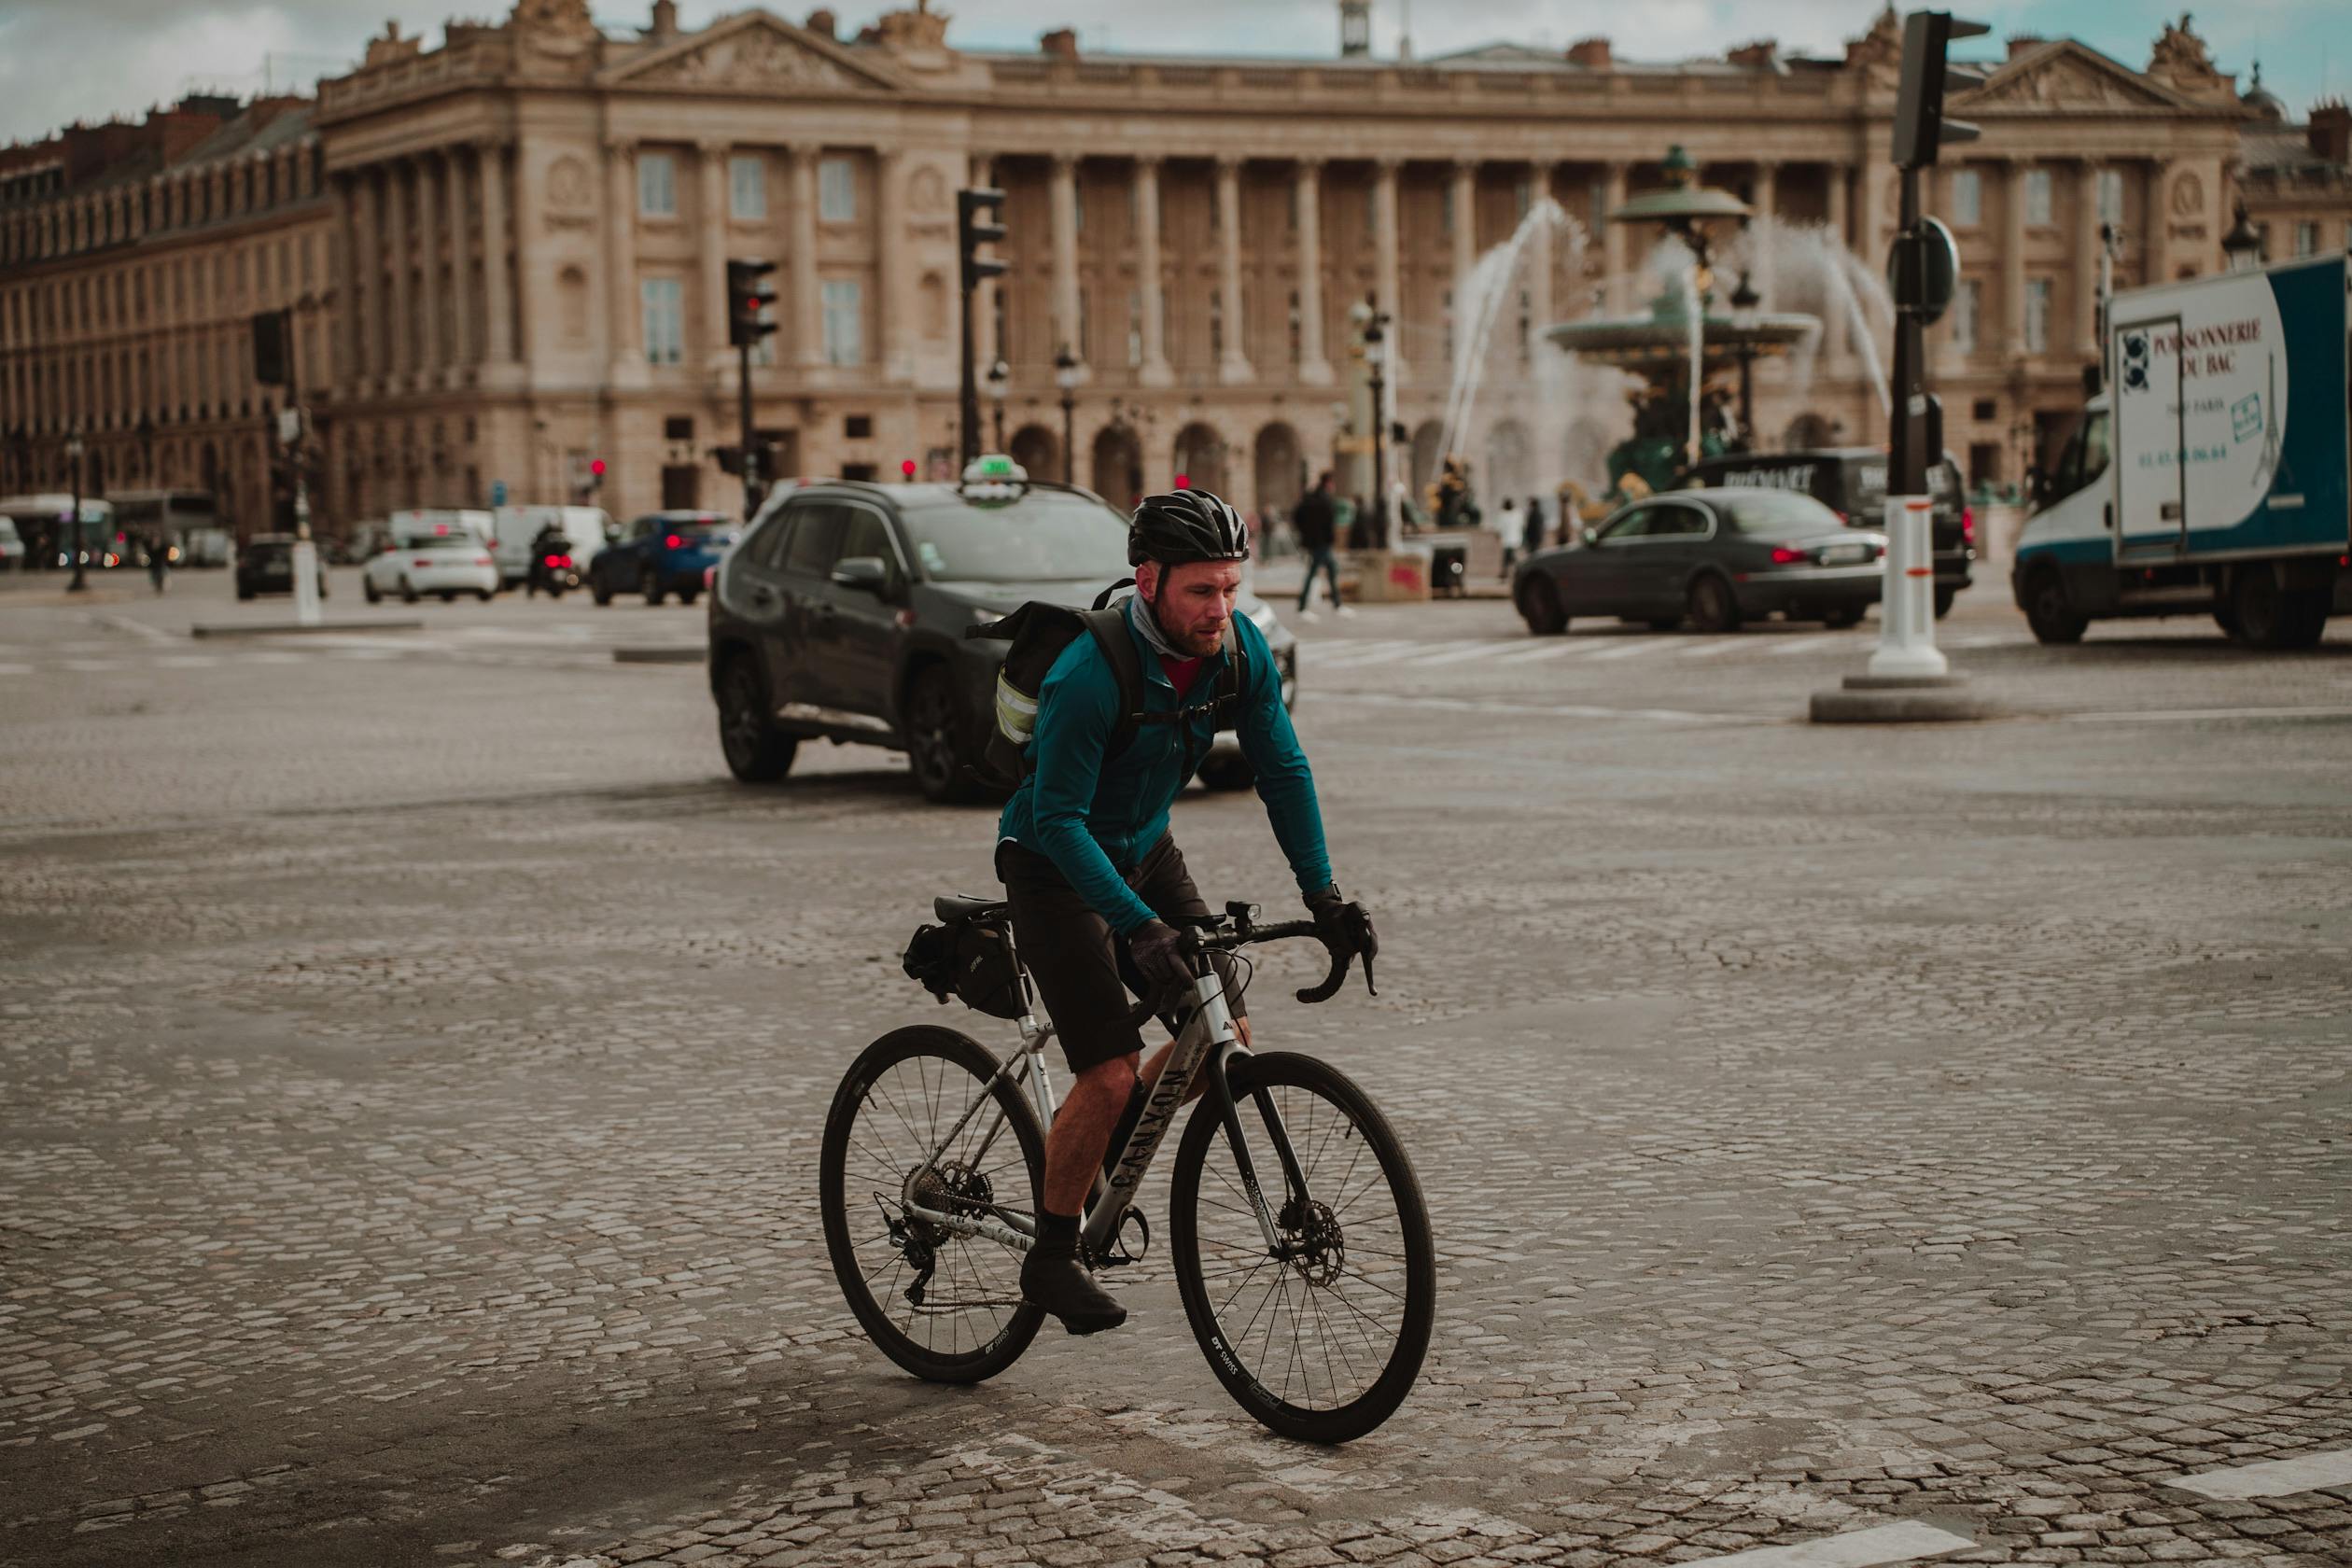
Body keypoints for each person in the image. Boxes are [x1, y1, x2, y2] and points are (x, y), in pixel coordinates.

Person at [996, 488, 1370, 1336]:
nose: (1221, 609)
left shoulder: (1237, 652)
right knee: (1110, 1068)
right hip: (1052, 862)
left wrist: (1325, 895)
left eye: (1231, 588)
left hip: (1146, 848)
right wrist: (1135, 926)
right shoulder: (1091, 672)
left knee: (1221, 1038)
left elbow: (1283, 766)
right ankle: (1052, 1253)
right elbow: (1057, 821)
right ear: (1150, 580)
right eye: (1203, 591)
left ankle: (1086, 1144)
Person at [1291, 470, 1350, 621]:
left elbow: (1296, 516)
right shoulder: (1325, 500)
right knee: (1314, 573)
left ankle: (1336, 604)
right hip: (1322, 543)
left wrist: (1306, 534)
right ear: (1329, 483)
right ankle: (1304, 606)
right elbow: (1329, 523)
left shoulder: (1309, 497)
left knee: (1329, 570)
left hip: (1313, 542)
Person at [525, 517, 567, 597]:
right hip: (546, 556)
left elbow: (567, 543)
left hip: (559, 557)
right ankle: (532, 587)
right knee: (534, 567)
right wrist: (538, 548)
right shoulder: (543, 533)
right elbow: (536, 543)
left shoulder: (561, 533)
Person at [1521, 496, 1547, 560]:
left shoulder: (1534, 514)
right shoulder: (1539, 513)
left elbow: (1533, 528)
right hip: (1537, 538)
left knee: (1533, 556)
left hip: (1534, 539)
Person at [145, 531, 170, 595]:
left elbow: (166, 550)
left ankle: (160, 587)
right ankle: (156, 586)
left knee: (161, 576)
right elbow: (148, 553)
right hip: (153, 565)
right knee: (154, 577)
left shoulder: (162, 546)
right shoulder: (150, 546)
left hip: (160, 564)